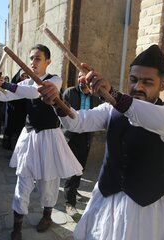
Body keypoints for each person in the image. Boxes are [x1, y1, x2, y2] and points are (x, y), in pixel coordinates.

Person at [38, 44, 164, 240]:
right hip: (108, 198)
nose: (138, 87)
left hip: (148, 210)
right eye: (133, 80)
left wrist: (113, 94)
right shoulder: (112, 109)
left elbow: (146, 115)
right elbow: (78, 122)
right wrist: (57, 102)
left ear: (163, 85)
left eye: (147, 82)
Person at [0, 44, 83, 240]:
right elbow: (6, 96)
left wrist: (7, 84)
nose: (33, 62)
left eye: (37, 58)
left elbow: (36, 92)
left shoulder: (54, 80)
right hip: (30, 136)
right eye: (31, 58)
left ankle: (47, 216)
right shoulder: (25, 82)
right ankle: (17, 227)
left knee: (49, 182)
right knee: (23, 181)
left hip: (50, 137)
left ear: (47, 61)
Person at [62, 73, 102, 219]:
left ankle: (74, 191)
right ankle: (69, 203)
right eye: (78, 76)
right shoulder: (69, 93)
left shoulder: (95, 97)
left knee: (81, 168)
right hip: (71, 136)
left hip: (86, 136)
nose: (80, 79)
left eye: (83, 77)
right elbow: (62, 115)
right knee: (73, 170)